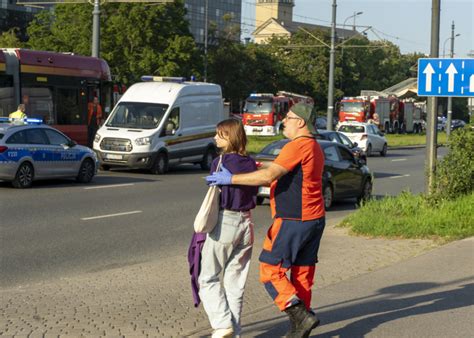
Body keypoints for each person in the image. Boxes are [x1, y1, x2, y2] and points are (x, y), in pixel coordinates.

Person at [206, 103, 325, 338]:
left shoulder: (297, 145)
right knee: (302, 274)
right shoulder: (314, 147)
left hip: (292, 219)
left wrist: (232, 179)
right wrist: (258, 167)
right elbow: (284, 171)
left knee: (270, 270)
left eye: (288, 117)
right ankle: (301, 327)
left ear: (300, 122)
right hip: (314, 219)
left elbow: (271, 176)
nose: (284, 121)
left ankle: (300, 315)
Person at [199, 118, 258, 338]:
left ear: (229, 136)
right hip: (247, 223)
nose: (215, 137)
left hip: (226, 223)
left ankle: (223, 324)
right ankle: (235, 333)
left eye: (219, 134)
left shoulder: (220, 162)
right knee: (236, 284)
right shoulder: (250, 163)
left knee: (208, 278)